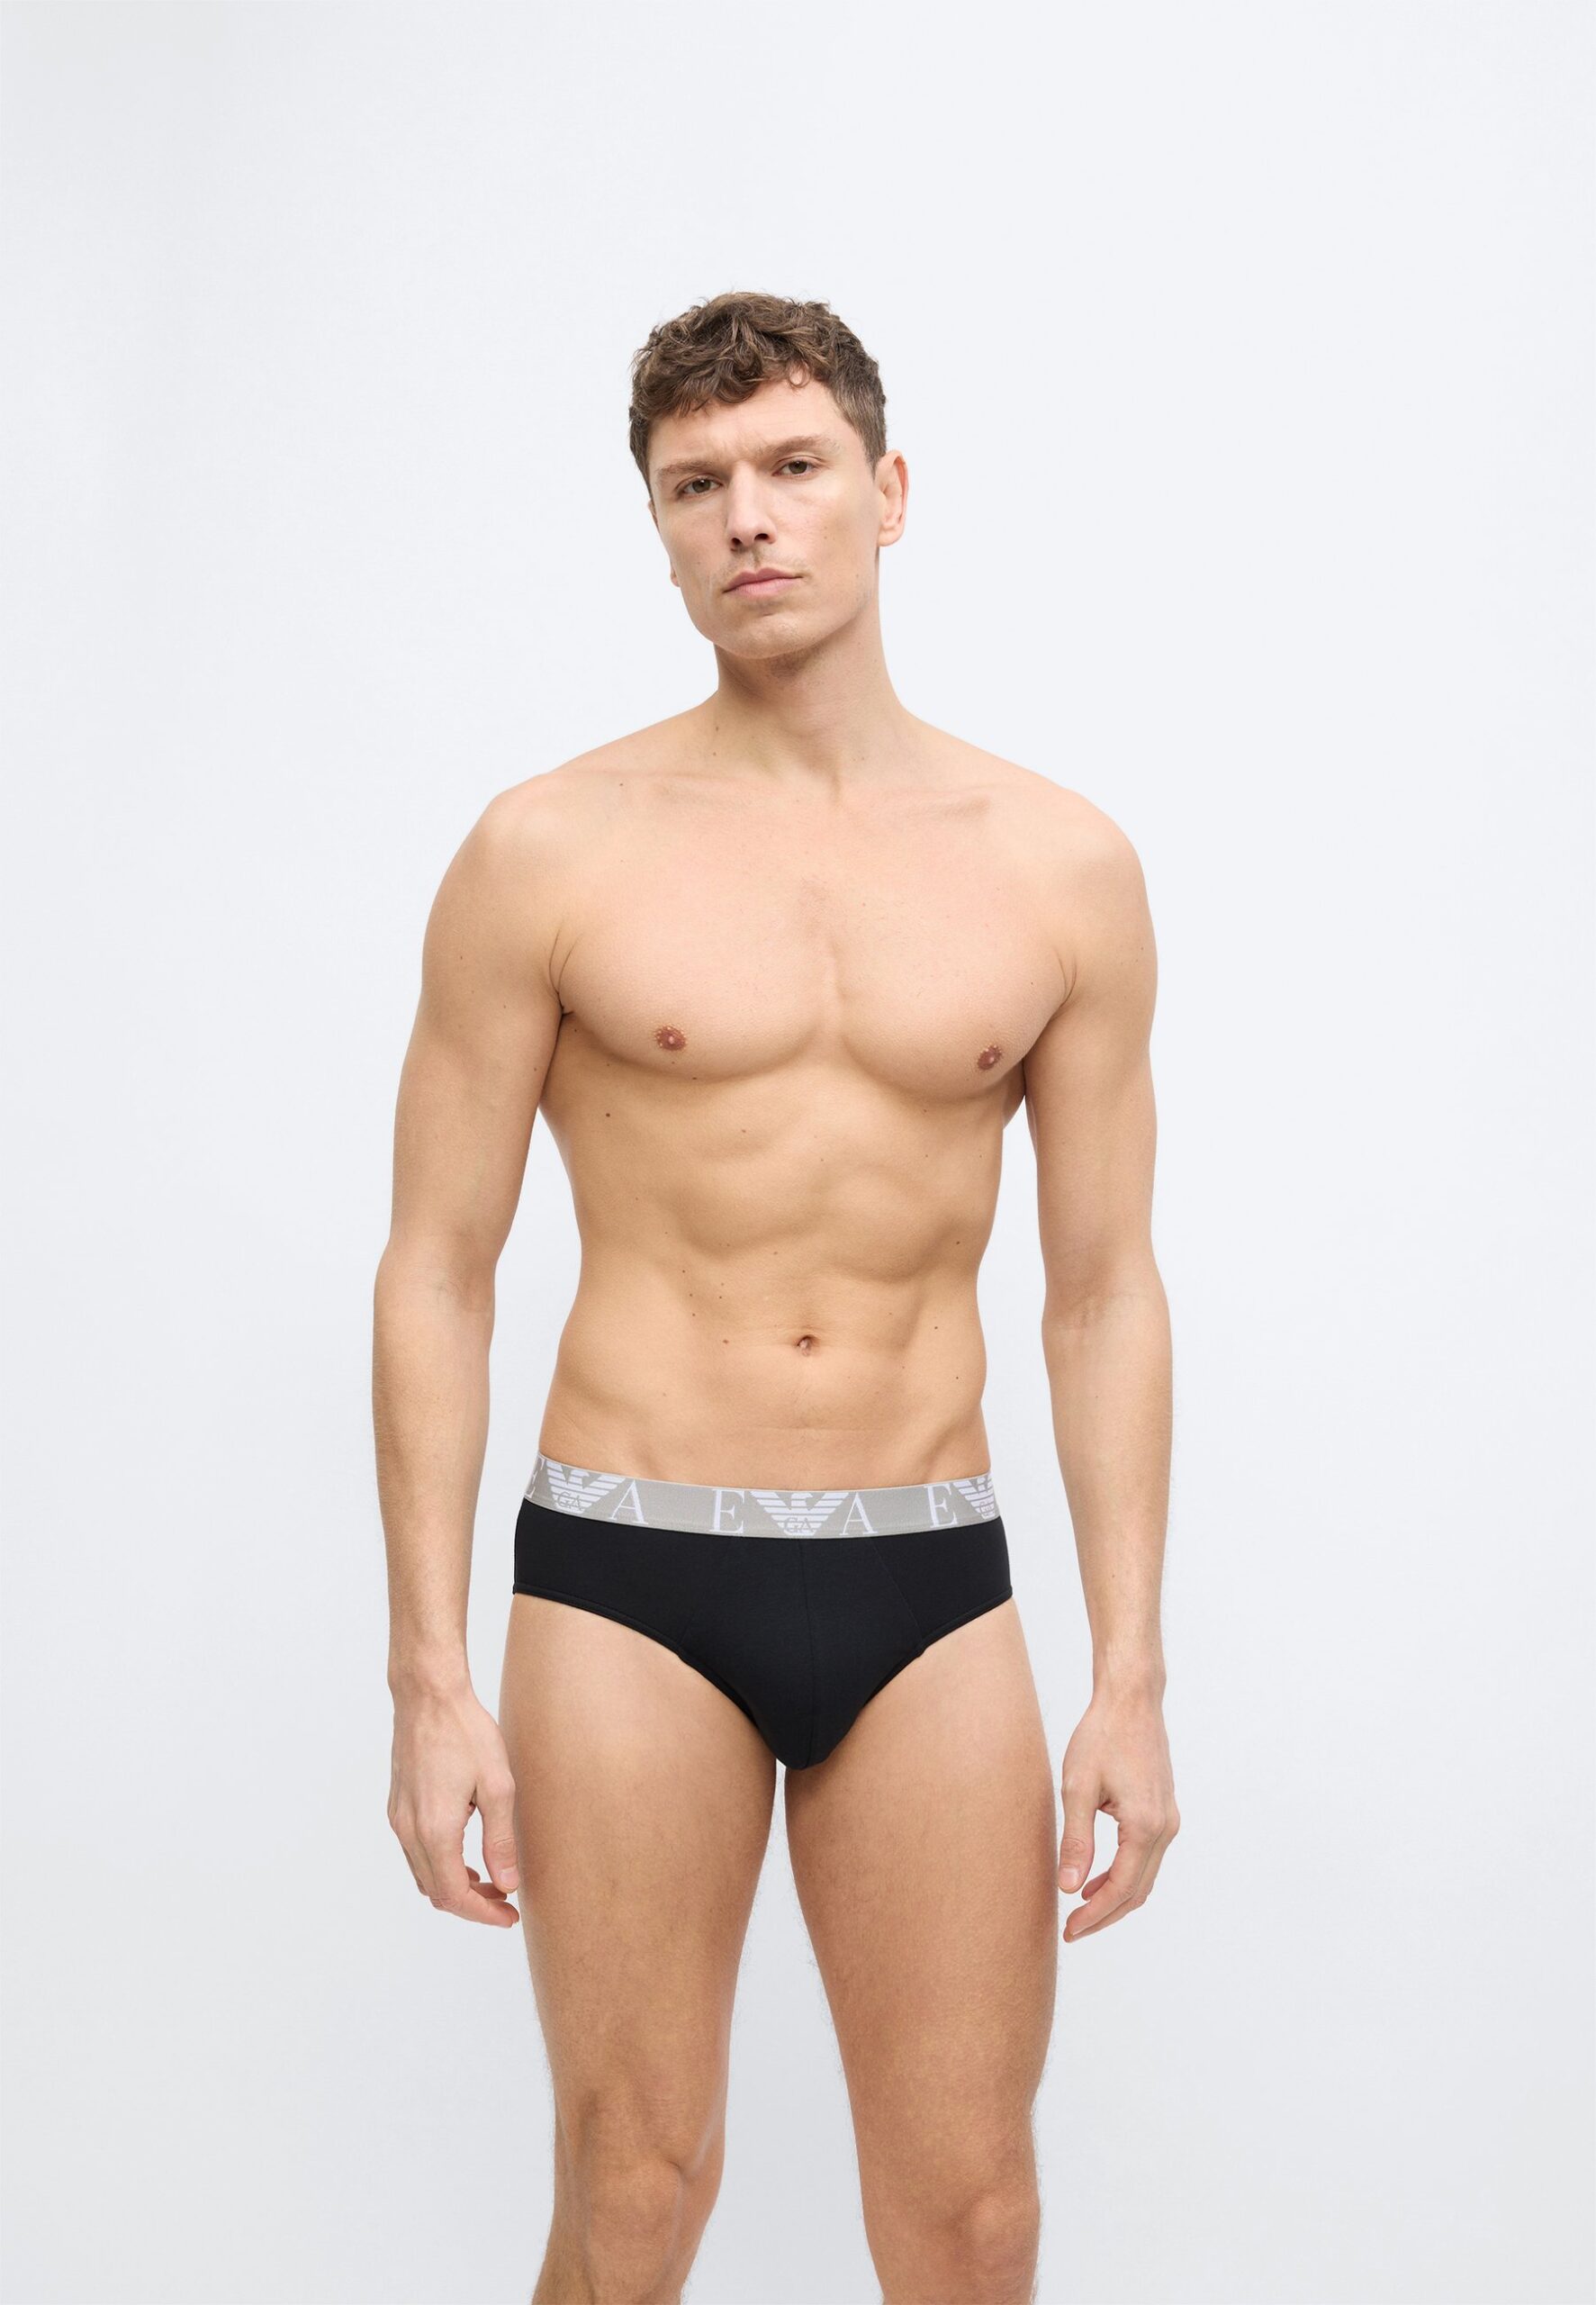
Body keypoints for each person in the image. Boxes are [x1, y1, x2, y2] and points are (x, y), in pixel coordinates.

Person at [373, 289, 1179, 2305]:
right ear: (656, 528)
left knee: (973, 2212)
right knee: (635, 2191)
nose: (747, 516)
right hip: (628, 1567)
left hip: (927, 1573)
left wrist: (1130, 1674)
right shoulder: (547, 849)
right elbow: (436, 1270)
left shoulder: (1058, 865)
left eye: (792, 466)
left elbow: (1100, 1292)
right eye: (695, 484)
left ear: (886, 493)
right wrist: (427, 1676)